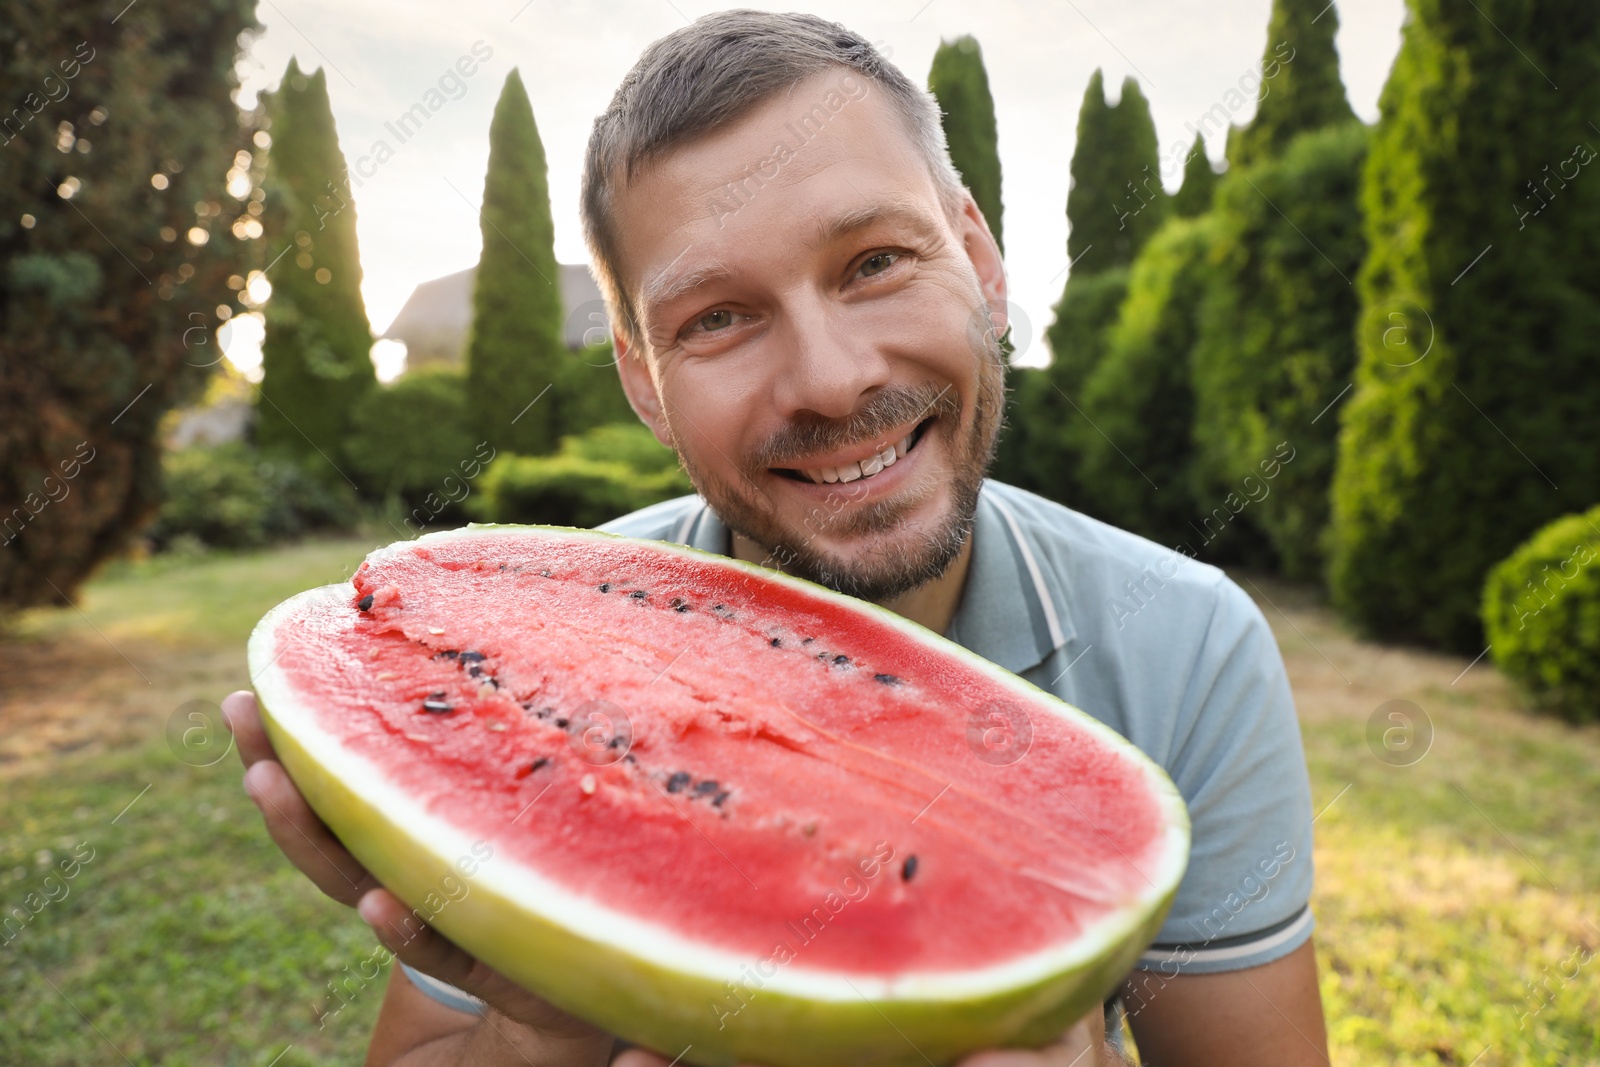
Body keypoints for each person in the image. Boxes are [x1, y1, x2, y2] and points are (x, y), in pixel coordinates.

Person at [222, 10, 1330, 1064]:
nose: (831, 377)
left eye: (876, 262)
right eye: (716, 318)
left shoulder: (1187, 651)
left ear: (981, 264)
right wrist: (537, 1029)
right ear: (642, 383)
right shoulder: (537, 649)